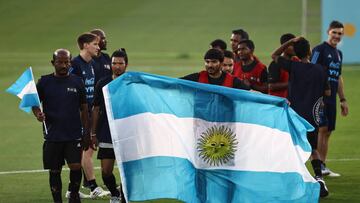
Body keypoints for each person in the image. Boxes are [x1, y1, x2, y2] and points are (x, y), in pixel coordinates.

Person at [271, 37, 330, 198]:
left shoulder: (293, 66)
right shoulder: (320, 70)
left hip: (295, 116)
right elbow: (328, 92)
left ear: (296, 52)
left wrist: (289, 42)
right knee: (313, 149)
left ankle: (295, 182)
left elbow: (274, 55)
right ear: (310, 51)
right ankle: (319, 179)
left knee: (292, 148)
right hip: (312, 116)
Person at [32, 49, 91, 203]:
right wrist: (38, 114)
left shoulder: (77, 82)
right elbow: (34, 103)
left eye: (67, 62)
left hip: (73, 134)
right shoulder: (44, 82)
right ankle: (57, 200)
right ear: (53, 63)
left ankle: (73, 195)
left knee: (76, 166)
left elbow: (84, 108)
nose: (64, 65)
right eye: (60, 62)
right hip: (53, 135)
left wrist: (86, 133)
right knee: (54, 170)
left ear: (70, 62)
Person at [70, 32, 110, 198]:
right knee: (86, 149)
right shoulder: (75, 65)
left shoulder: (91, 64)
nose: (98, 46)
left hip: (87, 113)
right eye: (94, 44)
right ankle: (92, 186)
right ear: (85, 45)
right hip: (78, 115)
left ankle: (73, 189)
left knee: (83, 151)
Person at [311, 20, 349, 176]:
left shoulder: (339, 54)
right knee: (322, 129)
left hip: (332, 98)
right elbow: (311, 70)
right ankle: (318, 166)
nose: (337, 36)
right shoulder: (319, 50)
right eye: (334, 32)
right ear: (328, 31)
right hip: (320, 97)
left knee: (328, 131)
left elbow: (338, 77)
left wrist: (343, 99)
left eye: (340, 33)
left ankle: (323, 166)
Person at [92, 49, 128, 203]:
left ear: (126, 65)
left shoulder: (130, 83)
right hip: (107, 132)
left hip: (127, 132)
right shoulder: (102, 83)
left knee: (126, 171)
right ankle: (114, 193)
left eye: (120, 63)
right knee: (106, 172)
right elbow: (96, 109)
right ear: (110, 64)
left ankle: (125, 197)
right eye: (114, 63)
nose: (117, 66)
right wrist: (93, 133)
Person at [181, 48, 250, 90]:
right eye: (207, 62)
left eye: (214, 62)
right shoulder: (197, 77)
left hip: (224, 114)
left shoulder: (233, 81)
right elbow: (175, 83)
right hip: (200, 114)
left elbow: (251, 93)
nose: (210, 65)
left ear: (221, 63)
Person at [268, 33, 299, 98]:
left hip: (293, 102)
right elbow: (271, 86)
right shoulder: (275, 64)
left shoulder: (297, 61)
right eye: (292, 45)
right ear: (284, 46)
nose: (295, 48)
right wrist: (292, 83)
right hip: (279, 103)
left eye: (295, 45)